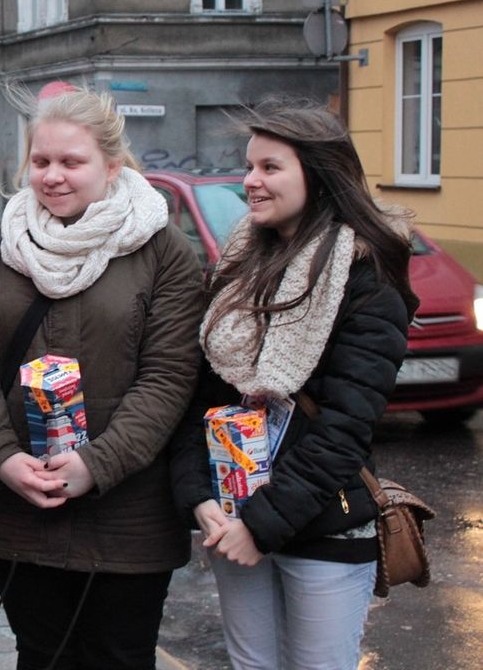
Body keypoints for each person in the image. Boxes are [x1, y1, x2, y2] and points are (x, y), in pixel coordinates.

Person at [0, 85, 205, 669]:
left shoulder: (163, 252)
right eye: (41, 161)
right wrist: (2, 458)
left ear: (112, 167)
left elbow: (168, 376)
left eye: (71, 161)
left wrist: (97, 465)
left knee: (119, 657)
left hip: (129, 514)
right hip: (19, 506)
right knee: (41, 656)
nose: (52, 176)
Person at [170, 98, 418, 670]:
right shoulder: (239, 264)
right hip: (232, 513)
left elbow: (346, 427)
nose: (249, 182)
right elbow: (200, 397)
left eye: (269, 168)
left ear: (320, 173)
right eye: (249, 167)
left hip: (322, 526)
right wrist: (200, 498)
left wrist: (260, 525)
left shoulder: (365, 274)